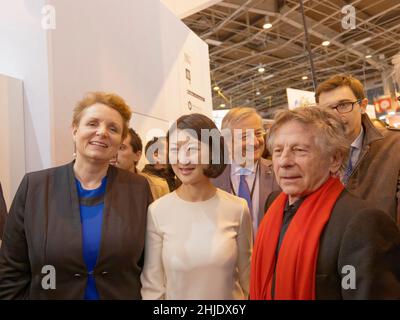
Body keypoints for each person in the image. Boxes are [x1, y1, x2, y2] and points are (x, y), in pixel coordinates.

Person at [0, 92, 152, 299]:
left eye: (113, 128)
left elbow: (148, 264)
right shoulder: (35, 187)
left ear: (119, 141)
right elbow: (12, 269)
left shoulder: (138, 189)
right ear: (74, 130)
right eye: (92, 124)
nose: (102, 132)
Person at [250, 106, 400, 300]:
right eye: (278, 151)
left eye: (299, 150)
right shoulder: (273, 206)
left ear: (335, 159)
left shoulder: (363, 223)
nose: (284, 161)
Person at [140, 113, 252, 300]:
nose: (183, 160)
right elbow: (153, 286)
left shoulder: (238, 209)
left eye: (192, 149)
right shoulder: (158, 211)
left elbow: (248, 278)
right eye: (175, 149)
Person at [316, 74, 400, 224]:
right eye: (327, 110)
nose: (335, 115)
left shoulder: (394, 145)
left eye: (343, 105)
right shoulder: (315, 156)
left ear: (362, 106)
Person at [212, 107, 279, 236]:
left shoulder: (279, 173)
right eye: (244, 136)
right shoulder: (212, 178)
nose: (254, 142)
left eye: (258, 133)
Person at [113, 129, 169, 200]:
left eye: (121, 148)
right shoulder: (99, 183)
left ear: (137, 155)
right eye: (112, 147)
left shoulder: (158, 187)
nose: (113, 153)